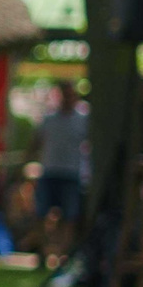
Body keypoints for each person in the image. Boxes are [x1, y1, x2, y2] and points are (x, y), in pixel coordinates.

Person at [32, 83, 86, 264]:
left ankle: (64, 255)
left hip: (72, 173)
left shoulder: (83, 120)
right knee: (41, 213)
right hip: (49, 172)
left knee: (69, 216)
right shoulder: (49, 119)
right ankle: (43, 252)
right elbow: (36, 142)